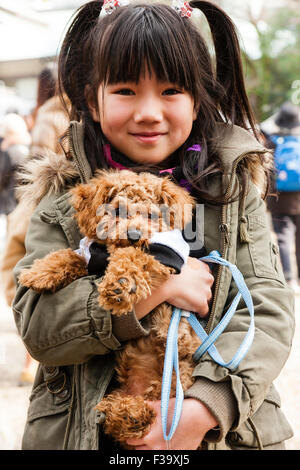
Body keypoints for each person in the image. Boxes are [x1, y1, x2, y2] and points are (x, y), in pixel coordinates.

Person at [12, 1, 294, 451]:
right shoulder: (65, 194)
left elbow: (267, 313)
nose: (148, 112)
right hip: (86, 434)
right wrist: (157, 290)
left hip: (215, 434)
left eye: (170, 91)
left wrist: (205, 407)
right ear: (93, 100)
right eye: (125, 90)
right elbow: (39, 326)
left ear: (197, 98)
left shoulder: (232, 189)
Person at [0, 68, 70, 385]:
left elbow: (36, 167)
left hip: (48, 206)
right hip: (60, 207)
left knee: (38, 277)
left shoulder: (49, 113)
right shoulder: (74, 109)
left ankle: (34, 361)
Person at [261, 102, 300, 293]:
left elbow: (266, 173)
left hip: (279, 199)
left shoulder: (272, 142)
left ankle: (289, 279)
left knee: (283, 238)